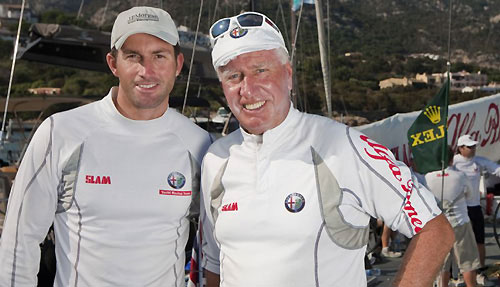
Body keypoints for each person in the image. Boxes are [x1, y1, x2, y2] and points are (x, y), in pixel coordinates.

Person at [200, 11, 454, 287]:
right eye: (234, 76)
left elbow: (434, 229)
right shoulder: (216, 158)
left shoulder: (341, 144)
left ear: (287, 75)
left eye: (260, 70)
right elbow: (215, 262)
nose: (247, 90)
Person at [0, 6, 211, 286]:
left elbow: (210, 248)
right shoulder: (60, 133)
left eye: (159, 56)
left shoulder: (197, 143)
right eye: (133, 56)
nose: (146, 71)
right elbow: (19, 239)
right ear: (113, 63)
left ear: (178, 63)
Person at [425, 146, 480, 287]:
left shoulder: (428, 178)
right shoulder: (460, 176)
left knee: (441, 263)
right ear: (451, 159)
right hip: (460, 223)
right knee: (467, 262)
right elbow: (471, 195)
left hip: (439, 227)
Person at [454, 134, 500, 286]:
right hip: (459, 210)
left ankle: (479, 271)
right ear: (461, 148)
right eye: (470, 147)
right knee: (460, 244)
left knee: (480, 241)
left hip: (474, 208)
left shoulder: (478, 162)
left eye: (474, 146)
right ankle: (461, 273)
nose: (473, 149)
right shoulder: (453, 163)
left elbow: (497, 169)